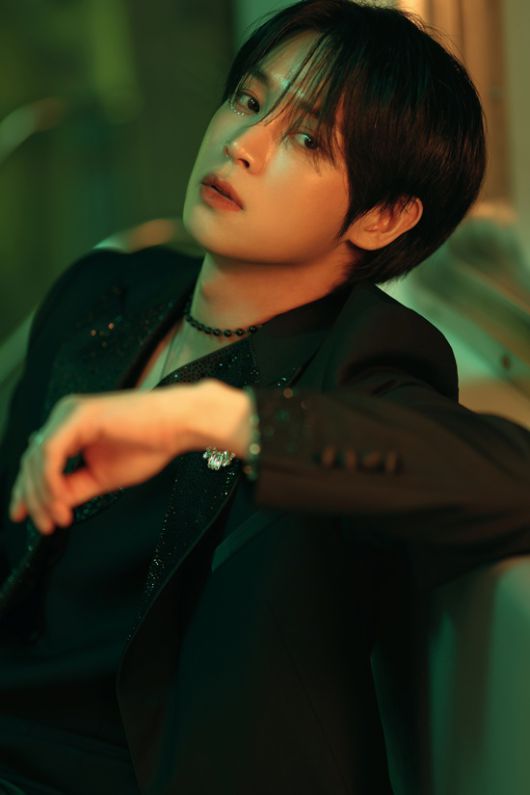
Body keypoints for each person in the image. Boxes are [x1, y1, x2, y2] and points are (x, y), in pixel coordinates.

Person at [0, 0, 529, 793]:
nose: (241, 144)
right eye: (249, 99)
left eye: (307, 139)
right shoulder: (103, 291)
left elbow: (510, 476)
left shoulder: (360, 362)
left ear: (383, 217)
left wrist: (211, 417)